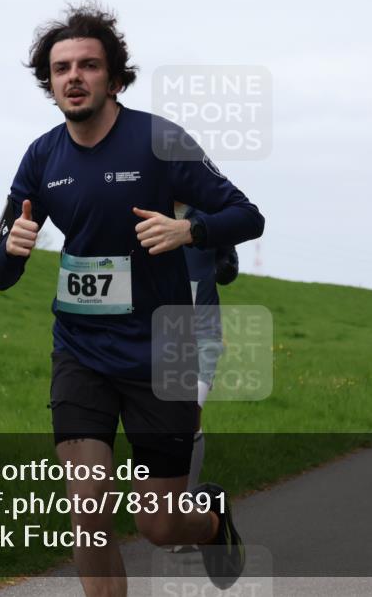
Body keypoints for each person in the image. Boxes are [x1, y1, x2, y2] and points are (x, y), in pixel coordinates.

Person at [0, 4, 263, 594]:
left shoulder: (159, 141)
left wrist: (190, 230)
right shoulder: (42, 156)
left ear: (113, 78)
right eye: (61, 68)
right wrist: (12, 248)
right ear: (49, 82)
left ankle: (211, 522)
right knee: (87, 513)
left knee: (159, 525)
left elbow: (247, 215)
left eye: (88, 65)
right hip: (81, 349)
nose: (74, 77)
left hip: (163, 351)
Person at [171, 202, 239, 553]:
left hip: (203, 335)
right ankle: (182, 509)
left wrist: (226, 260)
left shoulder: (207, 218)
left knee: (189, 415)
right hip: (161, 335)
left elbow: (228, 267)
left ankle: (184, 510)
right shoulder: (145, 210)